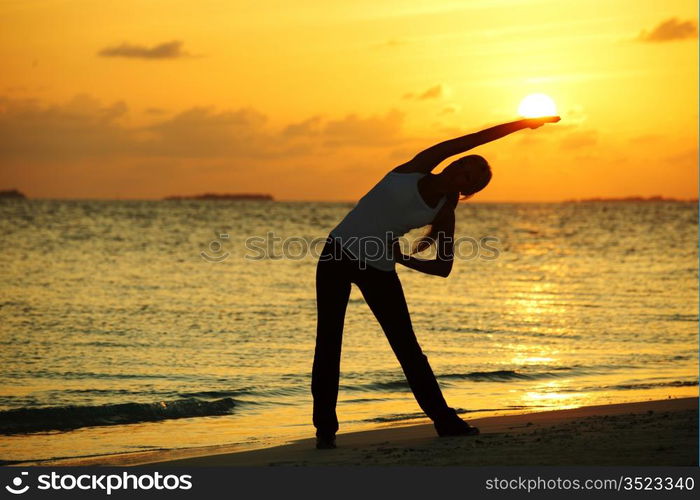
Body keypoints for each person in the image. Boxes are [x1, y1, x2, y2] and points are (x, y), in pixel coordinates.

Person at [312, 116, 560, 449]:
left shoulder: (444, 211)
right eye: (461, 165)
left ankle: (445, 422)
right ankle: (325, 432)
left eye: (467, 177)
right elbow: (473, 138)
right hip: (336, 253)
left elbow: (443, 267)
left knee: (408, 350)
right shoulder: (418, 166)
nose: (459, 171)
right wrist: (524, 123)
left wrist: (402, 258)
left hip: (379, 268)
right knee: (329, 343)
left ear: (467, 189)